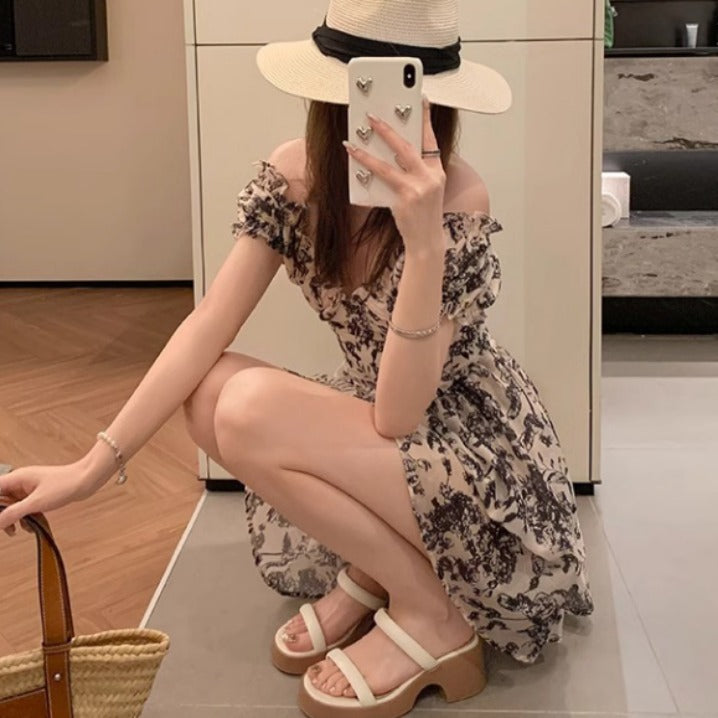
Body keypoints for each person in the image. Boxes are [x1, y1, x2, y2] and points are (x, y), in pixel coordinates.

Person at [0, 0, 595, 716]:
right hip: (383, 426)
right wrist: (90, 468)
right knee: (209, 393)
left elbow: (400, 413)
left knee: (247, 408)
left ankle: (432, 613)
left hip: (473, 449)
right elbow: (208, 325)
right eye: (364, 94)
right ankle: (388, 574)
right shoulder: (293, 177)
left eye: (408, 97)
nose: (384, 115)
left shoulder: (459, 199)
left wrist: (424, 243)